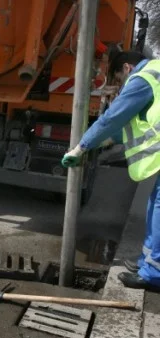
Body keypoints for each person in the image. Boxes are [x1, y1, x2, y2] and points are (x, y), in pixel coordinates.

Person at [61, 51, 160, 292]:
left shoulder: (143, 78)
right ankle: (148, 264)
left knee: (159, 208)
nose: (121, 85)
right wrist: (106, 141)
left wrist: (82, 146)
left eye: (119, 79)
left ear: (127, 67)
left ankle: (153, 274)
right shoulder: (156, 70)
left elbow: (113, 118)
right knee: (154, 205)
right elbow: (133, 121)